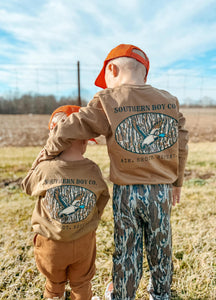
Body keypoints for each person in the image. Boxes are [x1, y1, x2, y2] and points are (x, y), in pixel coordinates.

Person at [35, 44, 189, 300]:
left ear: (112, 69)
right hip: (160, 192)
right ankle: (161, 295)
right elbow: (180, 142)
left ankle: (122, 295)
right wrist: (177, 182)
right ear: (144, 74)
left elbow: (74, 125)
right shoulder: (169, 101)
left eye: (105, 80)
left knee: (127, 249)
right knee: (160, 245)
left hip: (126, 193)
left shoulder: (108, 100)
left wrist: (49, 149)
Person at [22, 105, 109, 300]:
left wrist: (39, 160)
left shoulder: (44, 169)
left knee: (54, 284)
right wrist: (89, 219)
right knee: (81, 283)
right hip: (83, 242)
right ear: (85, 140)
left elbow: (27, 186)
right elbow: (102, 198)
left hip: (51, 245)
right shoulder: (93, 170)